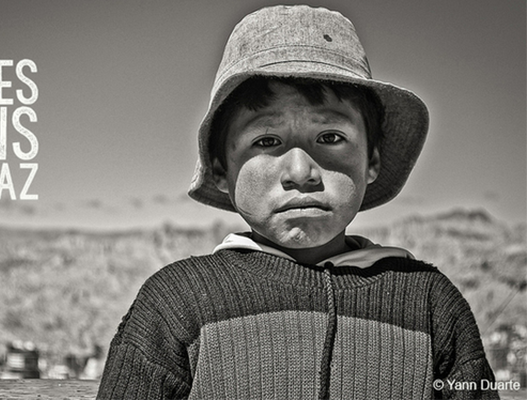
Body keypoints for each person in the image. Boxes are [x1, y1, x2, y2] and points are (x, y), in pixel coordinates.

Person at [97, 5, 498, 399]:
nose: (301, 170)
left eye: (330, 138)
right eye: (267, 141)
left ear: (371, 161)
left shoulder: (429, 304)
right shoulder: (177, 302)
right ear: (221, 169)